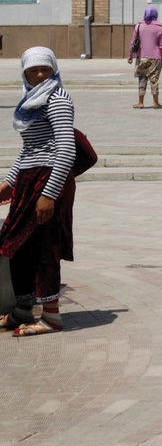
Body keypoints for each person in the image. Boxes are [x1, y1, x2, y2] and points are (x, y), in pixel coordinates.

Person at [0, 47, 77, 336]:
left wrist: (49, 194)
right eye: (34, 70)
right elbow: (29, 150)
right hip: (29, 178)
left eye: (45, 68)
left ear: (54, 68)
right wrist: (9, 180)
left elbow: (66, 149)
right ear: (25, 73)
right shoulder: (31, 100)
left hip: (48, 179)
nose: (40, 74)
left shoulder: (57, 99)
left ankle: (51, 317)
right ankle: (22, 309)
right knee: (17, 244)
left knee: (45, 246)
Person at [127, 6, 162, 108]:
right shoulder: (160, 28)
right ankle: (155, 102)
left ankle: (140, 102)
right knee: (154, 79)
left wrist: (130, 55)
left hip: (142, 57)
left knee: (142, 79)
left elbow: (133, 42)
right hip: (155, 58)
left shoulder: (139, 26)